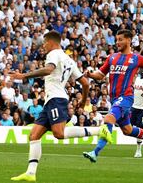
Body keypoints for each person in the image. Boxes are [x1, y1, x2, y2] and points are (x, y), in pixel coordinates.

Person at [9, 31, 108, 182]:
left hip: (57, 99)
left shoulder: (53, 54)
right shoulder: (69, 60)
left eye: (44, 42)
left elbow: (48, 69)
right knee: (34, 135)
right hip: (51, 101)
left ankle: (99, 130)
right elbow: (86, 83)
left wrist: (24, 76)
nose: (43, 45)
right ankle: (30, 173)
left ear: (52, 42)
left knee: (59, 133)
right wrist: (83, 100)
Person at [83, 29, 143, 163]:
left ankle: (95, 152)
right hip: (114, 99)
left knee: (108, 119)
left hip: (126, 97)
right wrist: (91, 75)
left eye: (120, 39)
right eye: (116, 39)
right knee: (127, 130)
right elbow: (101, 75)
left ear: (128, 40)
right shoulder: (112, 57)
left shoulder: (138, 59)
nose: (117, 42)